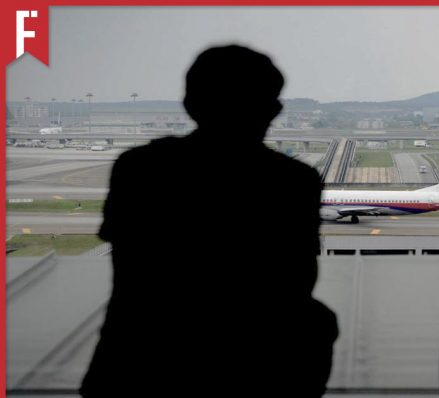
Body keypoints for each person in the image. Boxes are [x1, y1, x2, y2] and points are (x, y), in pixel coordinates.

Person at [81, 45, 338, 397]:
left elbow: (131, 264)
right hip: (261, 366)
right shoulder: (293, 180)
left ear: (189, 105)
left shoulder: (140, 168)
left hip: (137, 363)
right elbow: (296, 281)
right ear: (273, 109)